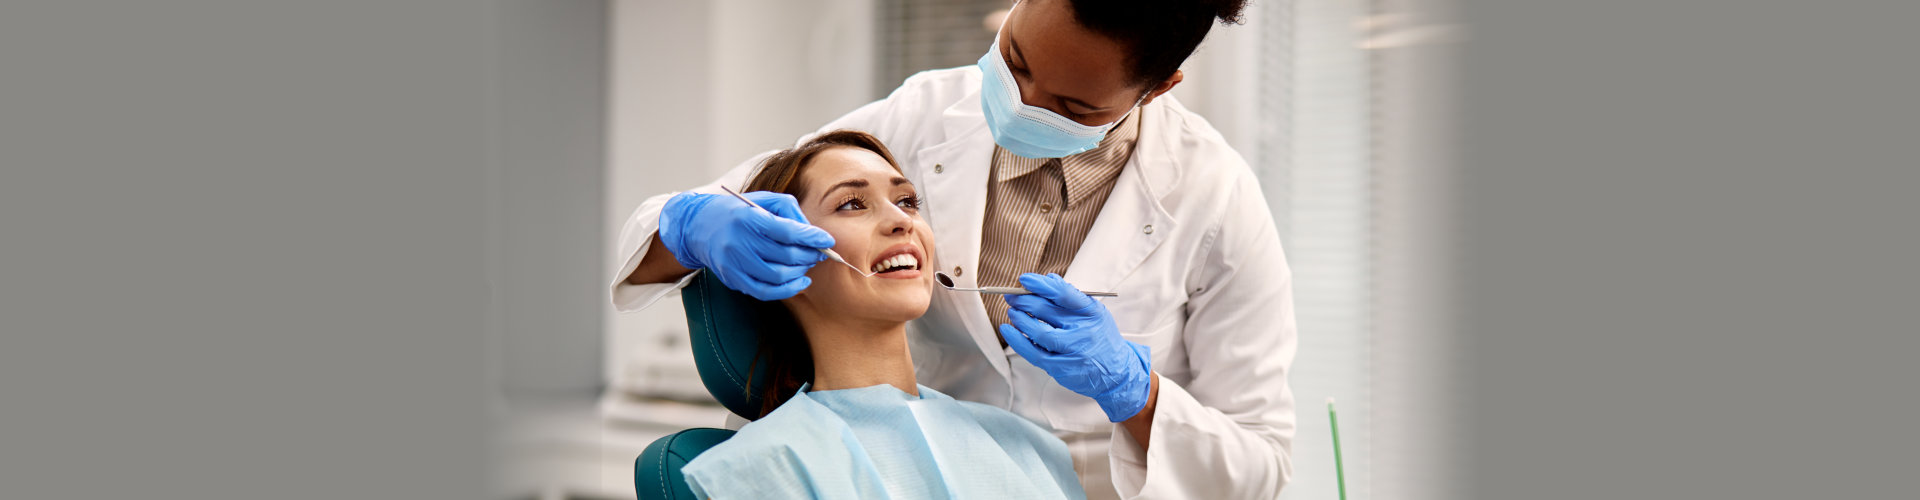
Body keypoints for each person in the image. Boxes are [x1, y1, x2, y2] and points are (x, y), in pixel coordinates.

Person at [616, 1, 1296, 498]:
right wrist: (691, 226)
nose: (1021, 104)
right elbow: (694, 217)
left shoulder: (1216, 197)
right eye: (1016, 62)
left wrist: (1134, 393)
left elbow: (1261, 462)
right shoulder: (919, 116)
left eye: (1071, 106)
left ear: (1156, 89)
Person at [675, 130, 1086, 500]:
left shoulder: (1028, 448)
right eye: (852, 204)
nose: (900, 221)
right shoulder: (760, 472)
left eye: (907, 200)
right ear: (782, 259)